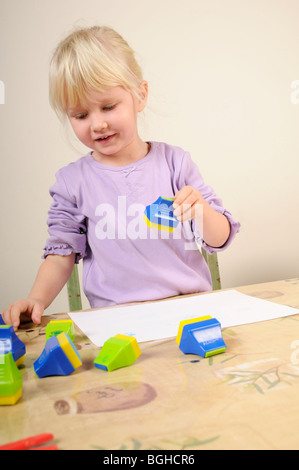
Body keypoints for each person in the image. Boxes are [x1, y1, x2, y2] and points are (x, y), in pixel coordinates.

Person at [1, 25, 240, 330]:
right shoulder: (72, 182)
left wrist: (202, 211)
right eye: (80, 115)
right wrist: (37, 298)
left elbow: (220, 237)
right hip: (117, 324)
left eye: (108, 106)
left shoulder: (175, 163)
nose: (97, 123)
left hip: (191, 312)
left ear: (140, 96)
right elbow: (61, 254)